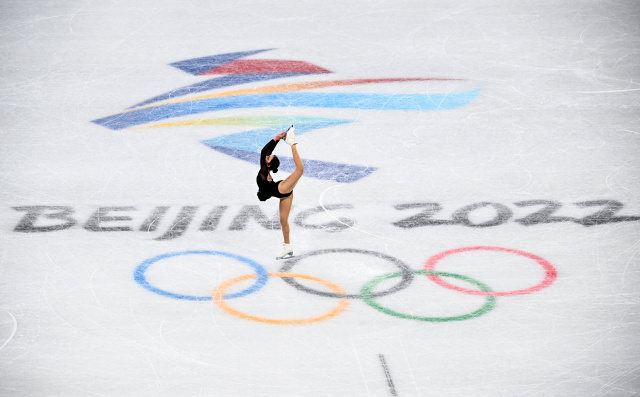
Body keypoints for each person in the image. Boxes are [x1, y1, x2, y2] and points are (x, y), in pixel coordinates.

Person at [256, 125, 304, 259]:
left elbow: (263, 152)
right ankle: (287, 247)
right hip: (284, 193)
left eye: (269, 158)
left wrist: (277, 138)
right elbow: (266, 152)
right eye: (269, 157)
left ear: (269, 165)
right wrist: (276, 140)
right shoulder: (265, 172)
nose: (267, 156)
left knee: (300, 170)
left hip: (280, 189)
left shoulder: (264, 171)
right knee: (283, 220)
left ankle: (292, 142)